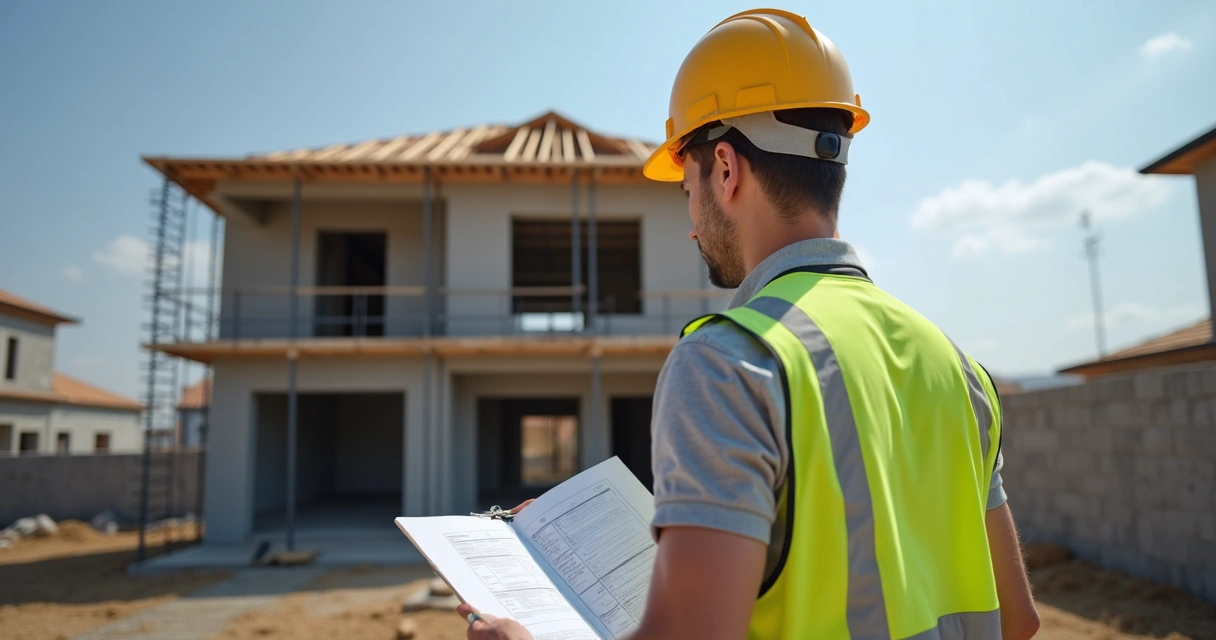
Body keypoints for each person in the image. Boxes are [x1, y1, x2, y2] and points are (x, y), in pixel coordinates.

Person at [460, 8, 1040, 639]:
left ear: (727, 170)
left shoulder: (730, 362)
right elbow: (1018, 620)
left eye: (687, 189)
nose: (690, 223)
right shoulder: (957, 368)